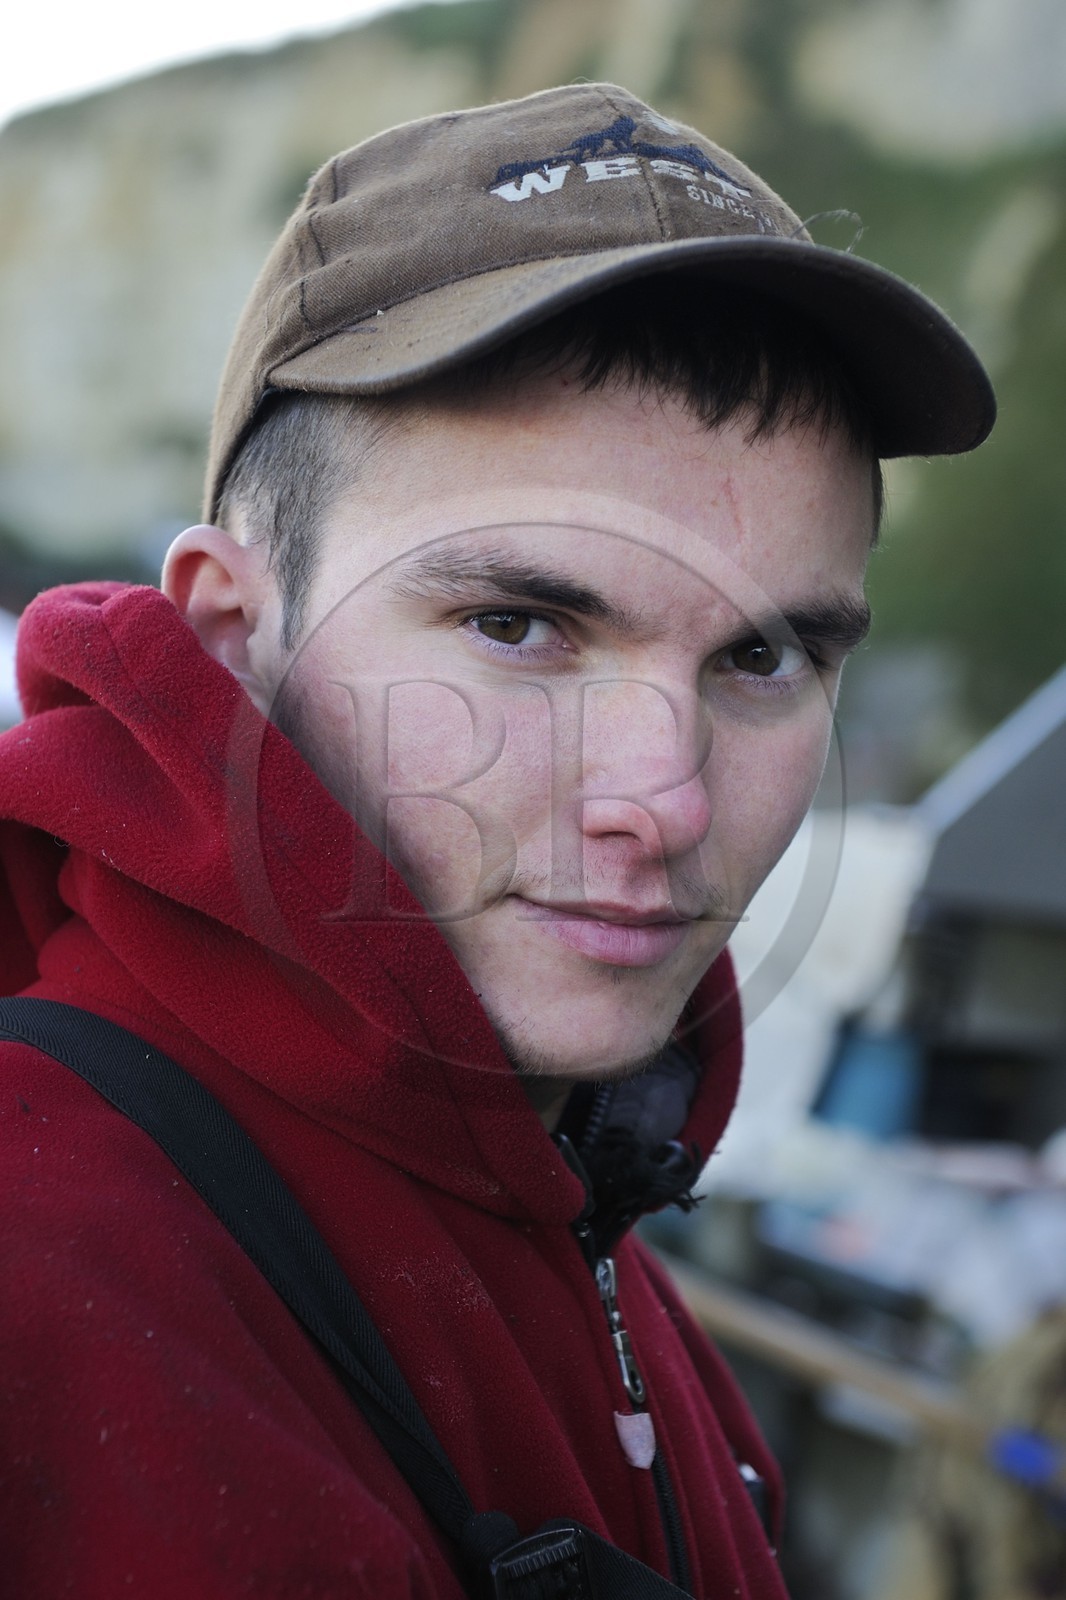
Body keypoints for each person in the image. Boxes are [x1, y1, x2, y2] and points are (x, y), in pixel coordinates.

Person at [0, 82, 994, 1598]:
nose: (659, 804)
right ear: (228, 636)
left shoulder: (584, 1195)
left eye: (761, 659)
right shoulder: (45, 1266)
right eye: (519, 625)